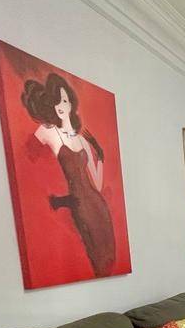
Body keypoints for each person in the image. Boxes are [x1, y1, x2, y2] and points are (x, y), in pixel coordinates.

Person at [20, 73, 116, 276]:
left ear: (71, 103)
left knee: (106, 253)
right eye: (56, 101)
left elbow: (97, 184)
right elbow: (26, 157)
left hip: (97, 204)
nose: (60, 106)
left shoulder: (82, 141)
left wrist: (100, 156)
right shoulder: (48, 131)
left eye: (64, 100)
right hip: (79, 205)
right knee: (94, 253)